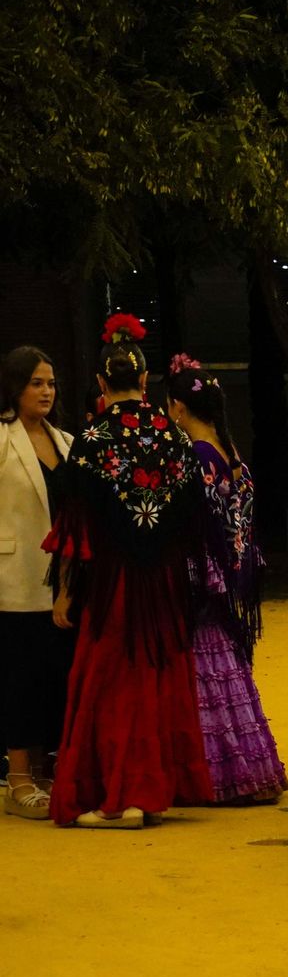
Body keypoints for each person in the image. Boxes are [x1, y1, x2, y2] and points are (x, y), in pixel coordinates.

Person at [46, 314, 212, 828]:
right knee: (156, 679)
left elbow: (76, 531)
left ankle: (122, 797)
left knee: (113, 684)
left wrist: (66, 592)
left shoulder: (89, 440)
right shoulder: (173, 437)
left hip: (111, 584)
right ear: (144, 382)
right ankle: (153, 789)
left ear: (100, 384)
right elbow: (194, 519)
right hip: (162, 583)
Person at [164, 355, 288, 804]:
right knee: (227, 674)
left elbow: (194, 530)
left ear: (178, 408)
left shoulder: (195, 457)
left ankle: (215, 775)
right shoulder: (232, 455)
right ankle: (246, 767)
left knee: (204, 675)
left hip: (203, 581)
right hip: (232, 576)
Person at [0, 346, 74, 820]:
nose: (46, 391)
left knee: (56, 675)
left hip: (65, 582)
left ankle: (47, 773)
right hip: (14, 576)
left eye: (50, 383)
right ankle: (19, 778)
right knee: (18, 677)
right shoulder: (1, 441)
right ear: (14, 387)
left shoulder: (67, 440)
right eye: (36, 383)